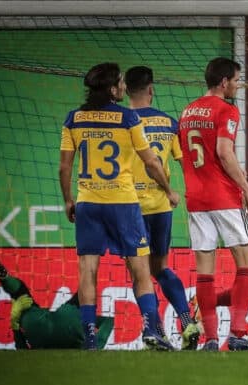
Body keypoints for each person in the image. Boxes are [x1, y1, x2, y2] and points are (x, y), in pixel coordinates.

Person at [59, 62, 179, 350]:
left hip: (88, 204)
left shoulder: (73, 119)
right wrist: (168, 189)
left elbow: (64, 167)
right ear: (113, 89)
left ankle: (89, 337)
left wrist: (68, 200)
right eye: (121, 83)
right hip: (124, 205)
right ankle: (152, 328)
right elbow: (151, 162)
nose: (125, 86)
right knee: (140, 270)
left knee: (87, 270)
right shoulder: (127, 118)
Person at [178, 57, 248, 351]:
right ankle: (238, 335)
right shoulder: (227, 110)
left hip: (196, 199)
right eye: (237, 80)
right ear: (224, 82)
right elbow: (224, 152)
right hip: (224, 197)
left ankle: (211, 340)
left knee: (205, 271)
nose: (238, 85)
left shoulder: (187, 112)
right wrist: (245, 186)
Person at [125, 66, 200, 350]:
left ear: (125, 90)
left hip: (130, 208)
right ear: (151, 89)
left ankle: (153, 330)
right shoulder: (169, 123)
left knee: (140, 274)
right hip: (161, 207)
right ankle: (186, 320)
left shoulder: (123, 122)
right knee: (161, 267)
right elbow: (185, 164)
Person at [0, 243, 114, 349]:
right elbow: (109, 321)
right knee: (85, 293)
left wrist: (14, 325)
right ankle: (92, 251)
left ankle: (4, 277)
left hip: (38, 329)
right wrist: (95, 344)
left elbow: (21, 353)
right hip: (69, 328)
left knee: (20, 293)